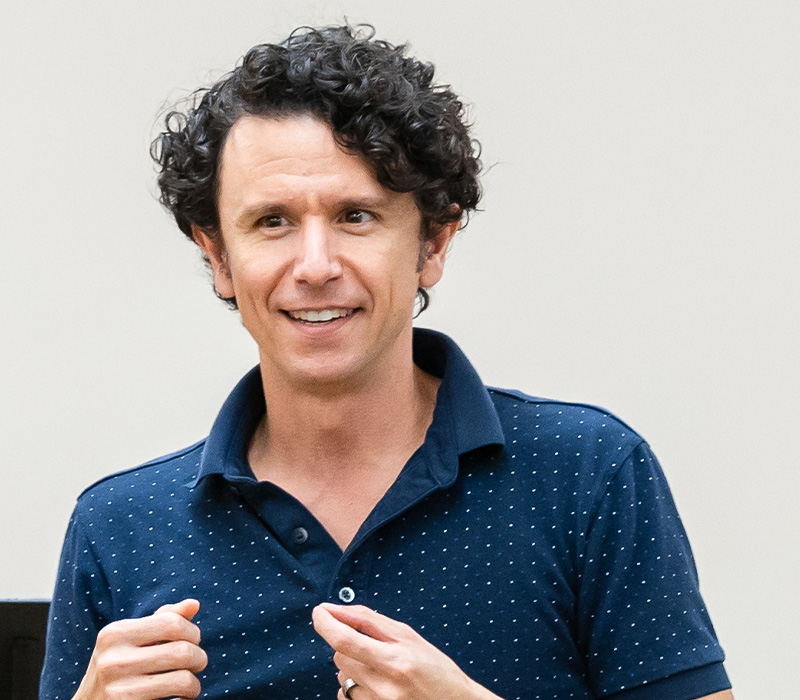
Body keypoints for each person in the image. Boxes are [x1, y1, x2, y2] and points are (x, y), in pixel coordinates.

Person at [40, 25, 733, 700]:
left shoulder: (587, 475)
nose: (315, 267)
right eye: (272, 221)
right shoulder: (119, 529)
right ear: (218, 256)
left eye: (357, 216)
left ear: (433, 241)